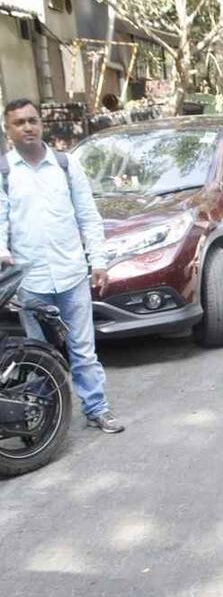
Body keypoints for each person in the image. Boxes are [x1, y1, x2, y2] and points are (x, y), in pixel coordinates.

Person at [0, 98, 124, 434]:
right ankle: (46, 420)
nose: (27, 127)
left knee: (83, 350)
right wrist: (3, 255)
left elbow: (88, 217)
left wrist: (98, 261)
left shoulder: (66, 166)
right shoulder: (5, 172)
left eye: (32, 120)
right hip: (31, 282)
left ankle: (97, 409)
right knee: (39, 354)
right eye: (19, 123)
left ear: (41, 124)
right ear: (8, 129)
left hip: (71, 275)